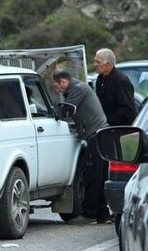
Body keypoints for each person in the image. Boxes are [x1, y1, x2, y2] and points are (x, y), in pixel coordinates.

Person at [51, 69, 110, 224]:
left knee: (92, 176)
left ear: (63, 82)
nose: (56, 90)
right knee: (100, 176)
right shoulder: (78, 87)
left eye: (56, 87)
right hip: (100, 135)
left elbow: (64, 111)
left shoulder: (76, 89)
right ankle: (102, 214)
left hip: (96, 136)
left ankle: (89, 215)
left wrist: (50, 113)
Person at [94, 48, 137, 126]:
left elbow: (127, 110)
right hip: (105, 127)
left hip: (121, 129)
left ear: (108, 65)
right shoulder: (100, 79)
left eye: (98, 62)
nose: (95, 65)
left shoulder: (121, 81)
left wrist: (105, 119)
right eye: (95, 61)